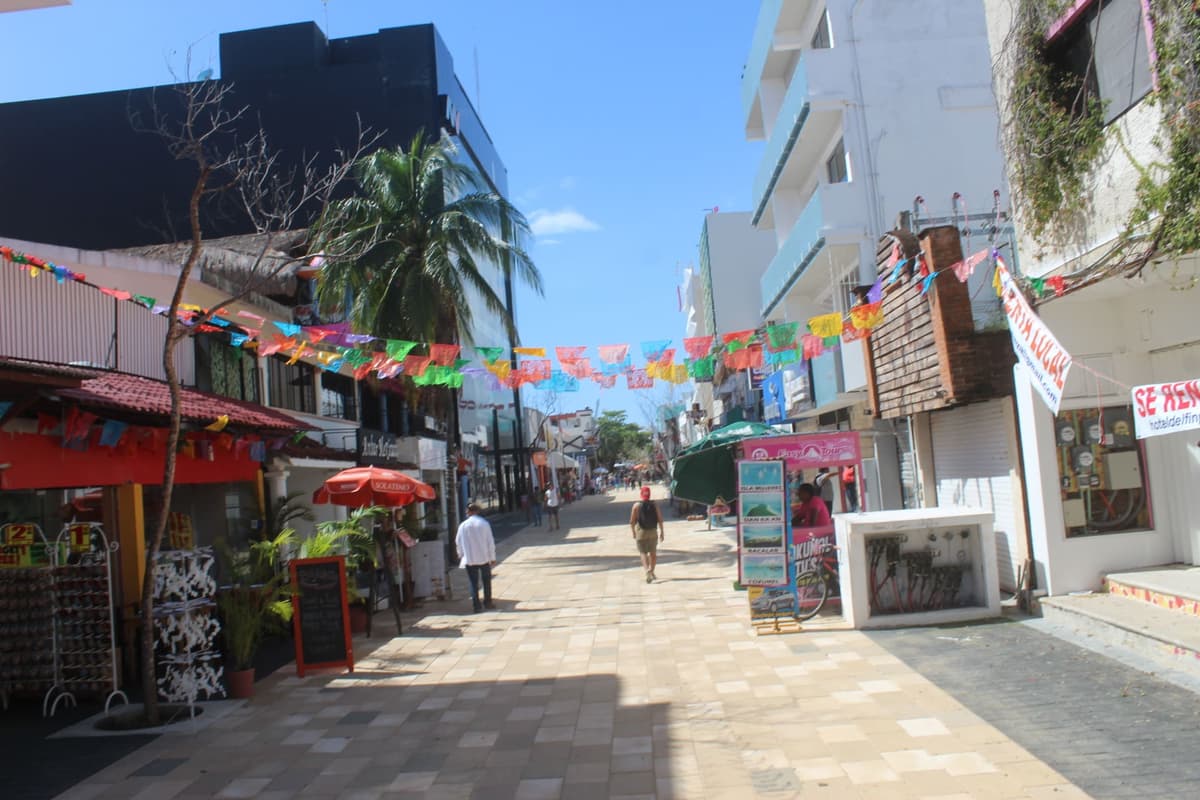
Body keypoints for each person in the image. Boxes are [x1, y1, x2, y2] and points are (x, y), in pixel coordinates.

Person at [455, 502, 497, 613]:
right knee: (486, 581)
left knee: (473, 582)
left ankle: (476, 605)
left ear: (469, 512)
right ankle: (488, 602)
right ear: (477, 511)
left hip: (470, 558)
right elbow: (490, 542)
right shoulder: (484, 524)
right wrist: (492, 557)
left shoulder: (463, 525)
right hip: (484, 557)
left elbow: (458, 542)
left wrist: (461, 554)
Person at [630, 486, 665, 582]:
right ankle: (652, 571)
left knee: (643, 552)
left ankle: (647, 571)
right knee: (653, 553)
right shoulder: (655, 504)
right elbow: (660, 519)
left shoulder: (636, 506)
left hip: (641, 532)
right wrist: (662, 532)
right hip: (653, 531)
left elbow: (632, 521)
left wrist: (633, 532)